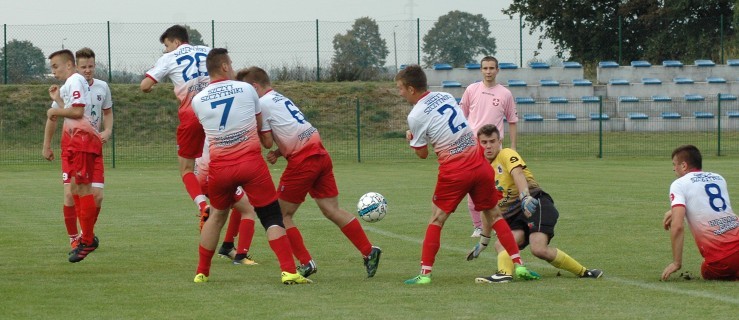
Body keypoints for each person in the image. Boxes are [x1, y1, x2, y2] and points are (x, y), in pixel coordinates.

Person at [396, 65, 539, 285]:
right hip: (480, 164)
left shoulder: (415, 115)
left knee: (436, 220)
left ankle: (424, 274)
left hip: (454, 171)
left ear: (412, 89)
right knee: (495, 215)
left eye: (400, 88)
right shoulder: (444, 95)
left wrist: (412, 137)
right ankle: (519, 265)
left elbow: (422, 154)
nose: (400, 92)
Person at [237, 66, 382, 278]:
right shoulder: (279, 98)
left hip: (303, 160)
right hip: (320, 154)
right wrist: (280, 152)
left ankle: (306, 263)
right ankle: (369, 251)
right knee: (332, 210)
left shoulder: (262, 104)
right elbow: (292, 127)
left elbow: (266, 141)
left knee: (280, 215)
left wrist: (255, 127)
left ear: (254, 87)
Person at [190, 48, 309, 285]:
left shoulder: (197, 100)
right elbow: (258, 124)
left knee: (216, 217)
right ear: (224, 66)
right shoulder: (245, 89)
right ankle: (288, 271)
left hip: (220, 167)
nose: (233, 68)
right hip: (250, 163)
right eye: (230, 64)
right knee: (271, 216)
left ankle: (202, 272)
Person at [473, 124, 603, 283]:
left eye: (492, 141)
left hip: (535, 202)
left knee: (538, 249)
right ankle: (504, 274)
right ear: (478, 143)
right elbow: (487, 208)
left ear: (500, 141)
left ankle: (584, 272)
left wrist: (525, 197)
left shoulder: (507, 154)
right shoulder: (480, 169)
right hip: (514, 215)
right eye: (484, 142)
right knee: (501, 244)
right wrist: (483, 242)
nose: (488, 146)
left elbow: (518, 174)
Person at [140, 25, 211, 221]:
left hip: (192, 116)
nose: (165, 50)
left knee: (187, 169)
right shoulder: (208, 51)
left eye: (166, 45)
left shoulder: (169, 58)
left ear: (177, 42)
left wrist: (149, 89)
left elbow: (144, 85)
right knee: (224, 162)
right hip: (218, 114)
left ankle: (203, 205)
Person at [44, 47, 113, 251]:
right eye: (84, 66)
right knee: (74, 191)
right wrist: (57, 103)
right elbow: (65, 112)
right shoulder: (71, 84)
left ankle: (86, 238)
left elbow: (76, 111)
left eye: (90, 66)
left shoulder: (82, 83)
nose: (87, 70)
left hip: (84, 142)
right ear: (76, 65)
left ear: (68, 65)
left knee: (91, 194)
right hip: (75, 143)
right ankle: (78, 238)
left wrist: (107, 130)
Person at [460, 56, 519, 238]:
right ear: (481, 70)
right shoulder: (471, 90)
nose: (488, 71)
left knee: (498, 186)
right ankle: (478, 225)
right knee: (472, 185)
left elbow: (512, 120)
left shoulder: (505, 94)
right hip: (474, 147)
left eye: (491, 68)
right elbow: (461, 117)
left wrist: (513, 146)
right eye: (485, 68)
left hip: (495, 148)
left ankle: (499, 221)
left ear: (497, 70)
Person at [661, 145, 739, 281]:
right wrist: (674, 211)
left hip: (723, 259)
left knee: (706, 270)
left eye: (674, 165)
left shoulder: (679, 184)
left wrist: (676, 263)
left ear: (684, 165)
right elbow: (708, 204)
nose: (674, 169)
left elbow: (678, 226)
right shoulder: (718, 178)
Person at [195, 139, 258, 265]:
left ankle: (227, 246)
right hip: (216, 175)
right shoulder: (222, 128)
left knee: (240, 204)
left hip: (203, 174)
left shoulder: (205, 124)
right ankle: (241, 256)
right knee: (249, 208)